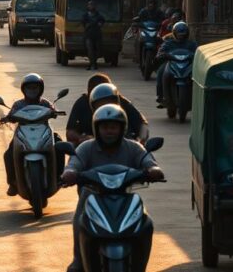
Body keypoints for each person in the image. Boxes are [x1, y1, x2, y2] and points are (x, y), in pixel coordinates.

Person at [62, 104, 164, 272]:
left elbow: (149, 162)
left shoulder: (133, 147)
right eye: (105, 127)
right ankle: (79, 261)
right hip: (92, 194)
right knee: (80, 221)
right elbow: (74, 164)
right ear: (97, 128)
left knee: (146, 224)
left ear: (122, 128)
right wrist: (70, 173)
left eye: (113, 127)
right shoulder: (86, 147)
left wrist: (154, 171)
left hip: (126, 195)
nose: (109, 131)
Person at [1, 73, 62, 196]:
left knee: (60, 145)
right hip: (23, 132)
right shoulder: (18, 104)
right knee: (8, 153)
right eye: (29, 88)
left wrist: (54, 112)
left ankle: (60, 177)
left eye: (35, 88)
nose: (32, 90)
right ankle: (13, 183)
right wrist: (8, 117)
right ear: (24, 89)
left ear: (41, 89)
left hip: (44, 130)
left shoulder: (45, 103)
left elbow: (53, 110)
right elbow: (11, 114)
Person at [65, 74, 148, 146]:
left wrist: (142, 142)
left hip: (122, 146)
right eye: (99, 102)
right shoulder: (81, 103)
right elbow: (70, 132)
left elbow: (143, 124)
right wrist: (82, 138)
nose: (104, 105)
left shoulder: (123, 102)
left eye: (108, 100)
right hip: (92, 148)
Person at [153, 21, 198, 108]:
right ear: (174, 33)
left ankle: (196, 97)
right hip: (170, 63)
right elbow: (161, 51)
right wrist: (161, 55)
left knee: (198, 76)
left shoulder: (191, 44)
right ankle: (161, 97)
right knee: (160, 73)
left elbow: (198, 51)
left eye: (183, 34)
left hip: (188, 65)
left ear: (187, 34)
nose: (181, 36)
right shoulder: (168, 43)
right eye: (179, 34)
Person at [81, 0, 105, 70]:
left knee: (98, 50)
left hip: (97, 35)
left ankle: (93, 63)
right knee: (90, 50)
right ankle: (92, 64)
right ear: (88, 6)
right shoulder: (85, 15)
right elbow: (83, 23)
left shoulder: (98, 15)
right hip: (88, 35)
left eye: (93, 5)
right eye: (90, 5)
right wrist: (87, 25)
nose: (91, 6)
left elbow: (102, 21)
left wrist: (100, 24)